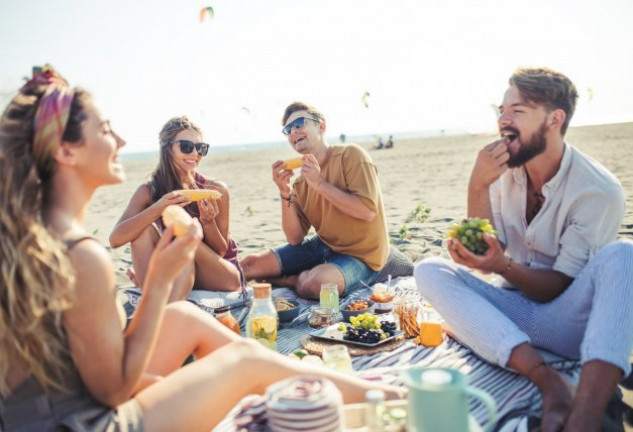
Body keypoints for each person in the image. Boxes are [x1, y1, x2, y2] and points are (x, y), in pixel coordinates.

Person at [0, 65, 405, 432]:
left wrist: (175, 385)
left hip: (45, 409)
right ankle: (395, 401)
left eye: (200, 148)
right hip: (80, 423)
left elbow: (83, 370)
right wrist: (157, 281)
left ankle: (329, 384)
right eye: (106, 130)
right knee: (244, 361)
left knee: (184, 319)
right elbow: (112, 391)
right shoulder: (81, 255)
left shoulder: (34, 235)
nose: (121, 140)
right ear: (66, 151)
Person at [414, 67, 633, 431]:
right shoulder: (501, 170)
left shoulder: (598, 191)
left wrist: (503, 266)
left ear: (554, 119)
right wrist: (477, 186)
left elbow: (558, 285)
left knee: (624, 256)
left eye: (517, 110)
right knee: (428, 270)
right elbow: (487, 253)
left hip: (569, 323)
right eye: (501, 109)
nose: (503, 119)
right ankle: (551, 385)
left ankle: (584, 419)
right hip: (512, 311)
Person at [240, 102, 390, 299]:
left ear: (322, 126)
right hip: (324, 246)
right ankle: (295, 275)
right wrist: (284, 191)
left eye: (300, 123)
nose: (294, 131)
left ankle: (290, 280)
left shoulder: (351, 155)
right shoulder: (301, 183)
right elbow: (295, 238)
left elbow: (367, 211)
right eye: (288, 129)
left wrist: (319, 183)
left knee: (316, 284)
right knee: (248, 265)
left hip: (364, 256)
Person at [109, 116, 242, 301]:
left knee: (185, 237)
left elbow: (220, 251)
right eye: (186, 146)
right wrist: (159, 206)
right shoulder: (148, 191)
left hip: (221, 276)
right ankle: (158, 298)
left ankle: (152, 287)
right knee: (141, 230)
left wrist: (208, 223)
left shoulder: (216, 189)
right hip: (178, 272)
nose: (195, 154)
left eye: (201, 148)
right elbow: (115, 239)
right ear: (167, 147)